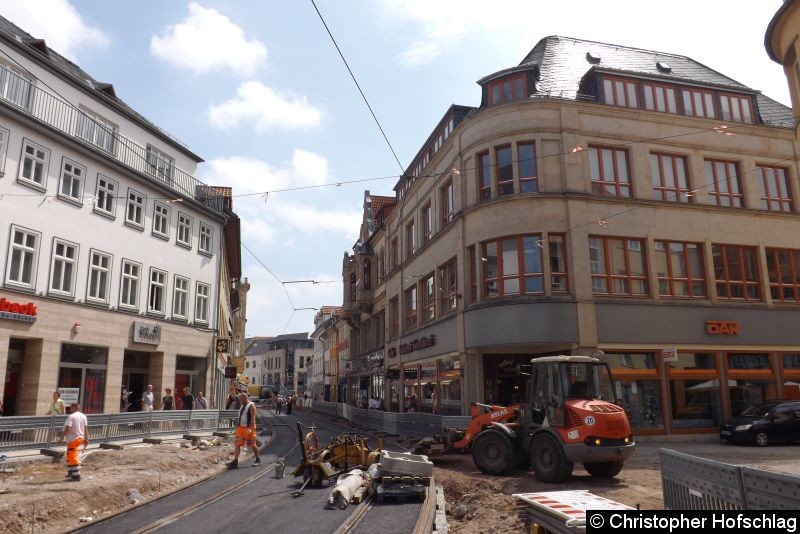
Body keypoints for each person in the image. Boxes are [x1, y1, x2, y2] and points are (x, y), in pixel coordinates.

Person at [228, 391, 260, 469]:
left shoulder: (251, 405)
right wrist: (237, 426)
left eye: (240, 399)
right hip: (240, 428)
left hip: (248, 428)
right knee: (237, 444)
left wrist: (250, 428)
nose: (240, 400)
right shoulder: (242, 405)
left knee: (252, 444)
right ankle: (235, 461)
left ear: (244, 398)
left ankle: (257, 459)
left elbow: (253, 417)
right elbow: (240, 416)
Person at [57, 402, 88, 481]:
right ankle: (71, 472)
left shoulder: (71, 416)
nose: (70, 409)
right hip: (80, 438)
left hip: (73, 439)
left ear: (74, 407)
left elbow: (67, 429)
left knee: (72, 456)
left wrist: (61, 438)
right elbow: (85, 429)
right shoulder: (83, 416)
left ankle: (76, 476)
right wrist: (86, 439)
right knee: (70, 454)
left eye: (71, 407)